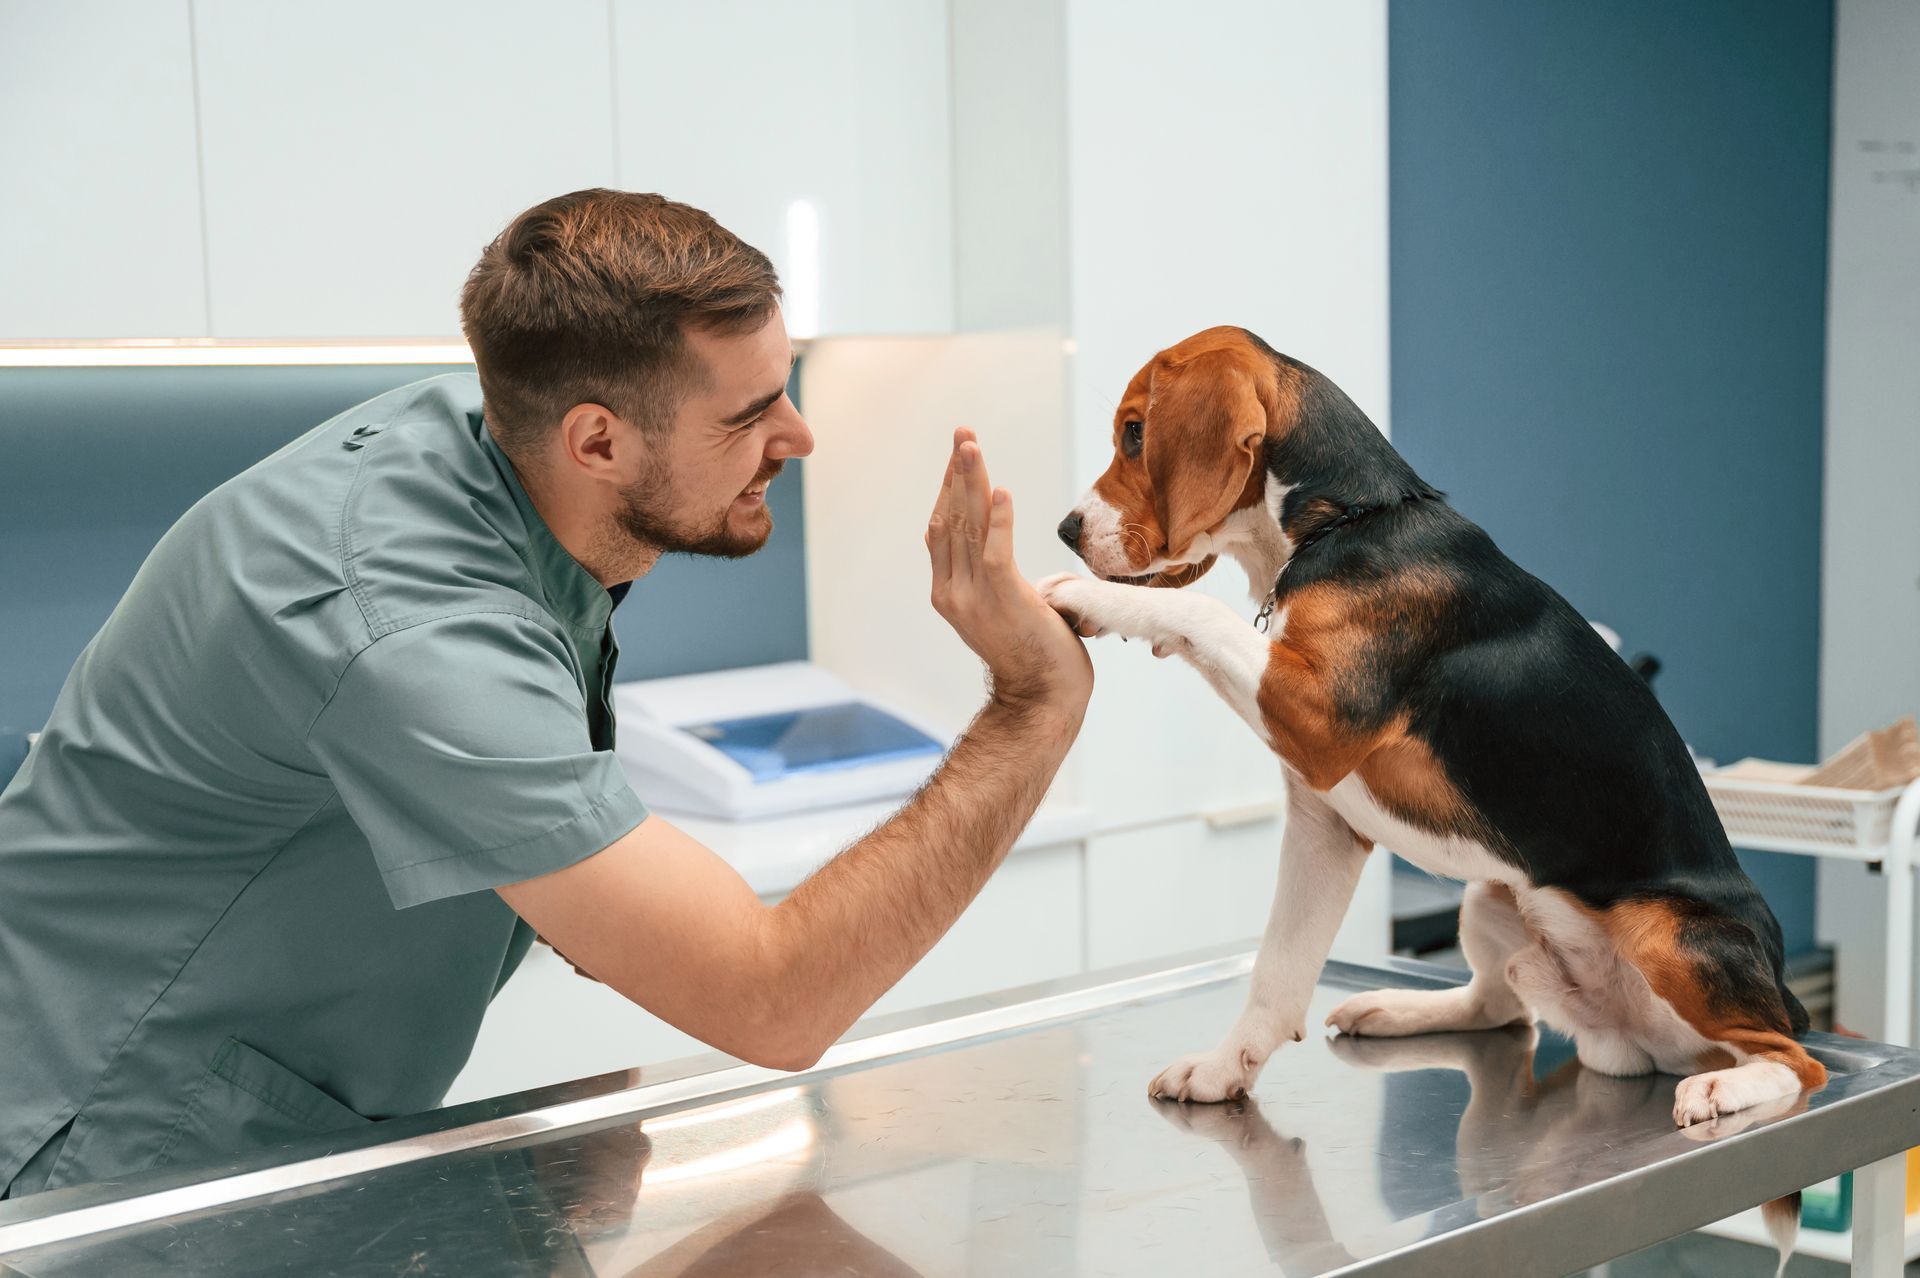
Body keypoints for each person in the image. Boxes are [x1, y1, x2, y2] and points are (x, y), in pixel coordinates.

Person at [0, 189, 1091, 1197]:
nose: (796, 438)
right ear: (598, 440)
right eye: (750, 413)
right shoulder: (406, 619)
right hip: (91, 1150)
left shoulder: (500, 460)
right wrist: (1031, 705)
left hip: (257, 1131)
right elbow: (776, 1000)